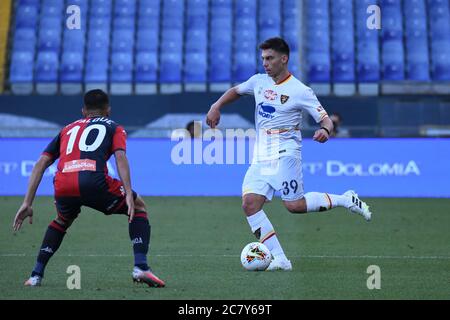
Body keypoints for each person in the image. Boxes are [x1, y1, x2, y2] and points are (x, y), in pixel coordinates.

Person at [206, 38, 372, 271]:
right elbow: (235, 91)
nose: (265, 63)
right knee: (250, 204)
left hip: (286, 152)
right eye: (263, 58)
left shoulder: (300, 90)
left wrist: (325, 129)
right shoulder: (258, 81)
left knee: (294, 205)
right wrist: (216, 106)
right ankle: (281, 260)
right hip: (261, 154)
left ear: (284, 59)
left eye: (270, 58)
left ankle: (346, 199)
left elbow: (325, 119)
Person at [13, 89, 165, 287]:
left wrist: (27, 202)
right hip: (93, 181)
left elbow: (41, 162)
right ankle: (141, 267)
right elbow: (120, 157)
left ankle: (35, 275)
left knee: (62, 220)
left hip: (63, 184)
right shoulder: (114, 127)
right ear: (108, 110)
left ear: (83, 111)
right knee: (138, 207)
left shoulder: (67, 129)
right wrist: (128, 192)